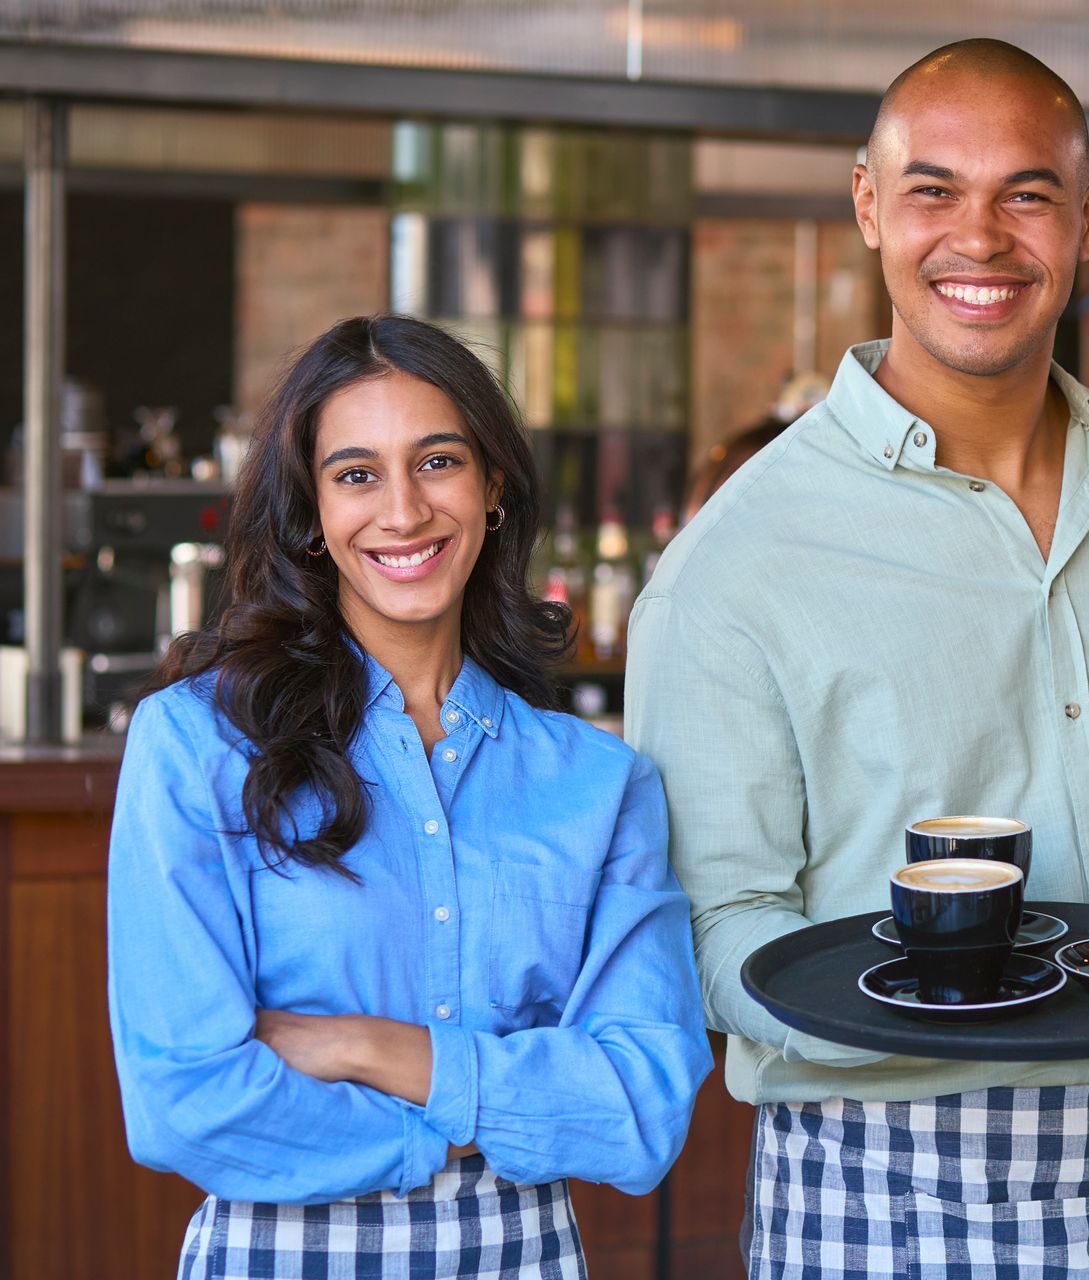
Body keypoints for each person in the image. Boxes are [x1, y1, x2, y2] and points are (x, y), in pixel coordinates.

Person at [625, 39, 1089, 1280]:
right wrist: (936, 993)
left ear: (1087, 216)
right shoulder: (736, 563)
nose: (979, 238)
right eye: (933, 190)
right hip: (886, 1176)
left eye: (1027, 194)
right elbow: (713, 925)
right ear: (870, 208)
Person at [107, 315, 711, 1277]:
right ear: (310, 509)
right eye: (356, 474)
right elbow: (185, 1102)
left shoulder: (601, 784)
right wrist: (490, 1116)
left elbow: (639, 1110)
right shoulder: (196, 744)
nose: (402, 511)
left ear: (493, 485)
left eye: (438, 462)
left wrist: (368, 1048)